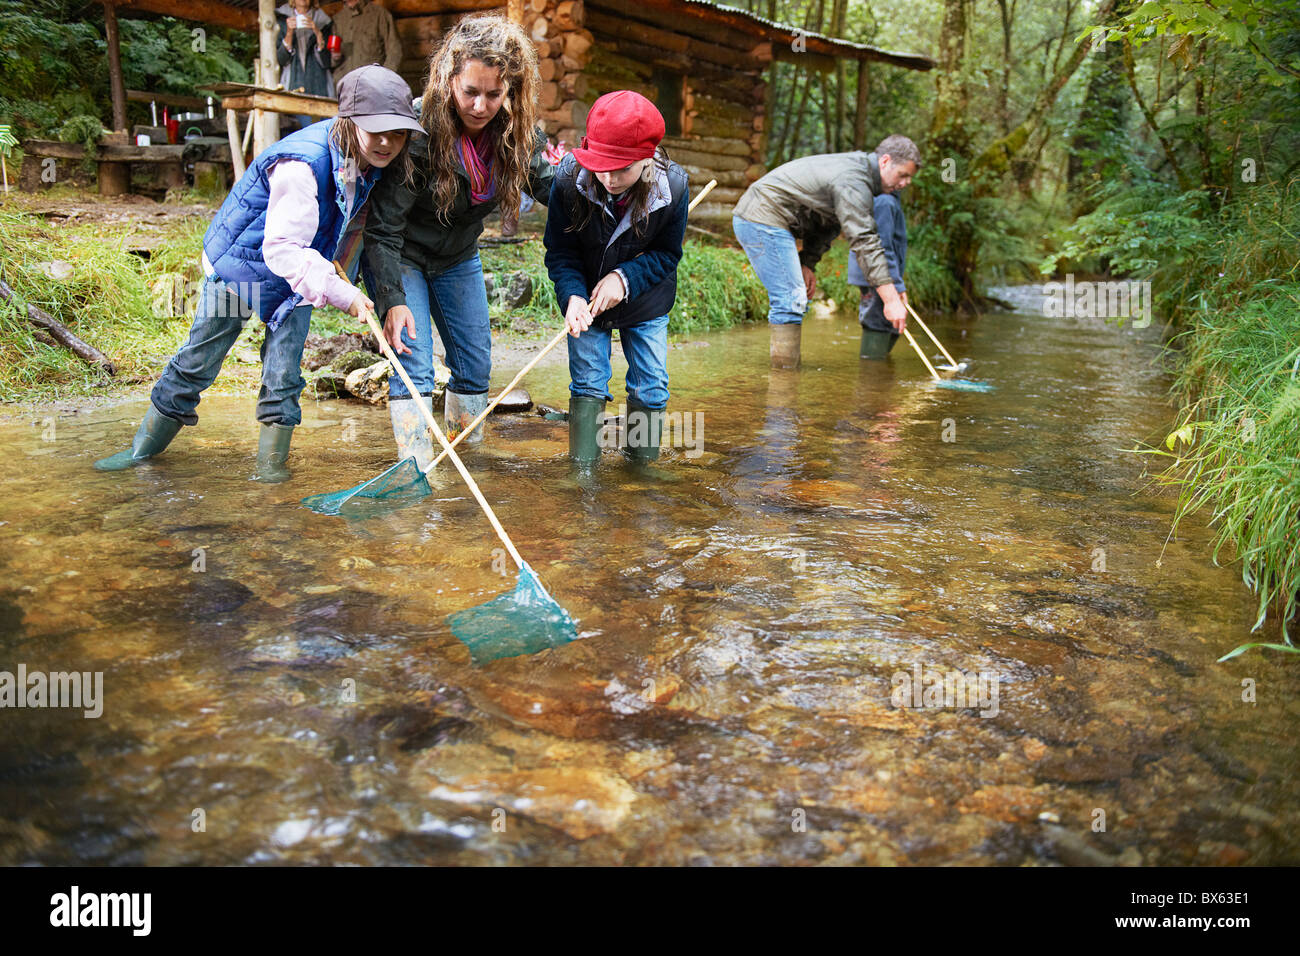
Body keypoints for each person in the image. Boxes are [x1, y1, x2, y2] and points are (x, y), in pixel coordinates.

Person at [94, 66, 422, 481]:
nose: (388, 142)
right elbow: (282, 249)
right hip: (243, 266)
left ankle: (270, 473)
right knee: (199, 361)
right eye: (377, 130)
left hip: (304, 272)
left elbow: (356, 231)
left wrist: (371, 291)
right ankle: (142, 452)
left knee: (284, 374)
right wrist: (342, 293)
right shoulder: (302, 164)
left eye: (397, 132)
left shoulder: (374, 163)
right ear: (349, 120)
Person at [363, 15, 554, 466]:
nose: (480, 105)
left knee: (474, 366)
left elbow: (552, 188)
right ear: (449, 80)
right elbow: (384, 228)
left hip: (457, 258)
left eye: (494, 94)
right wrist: (391, 299)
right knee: (415, 365)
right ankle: (414, 467)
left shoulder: (515, 134)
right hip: (402, 255)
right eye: (470, 91)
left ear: (511, 90)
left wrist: (606, 195)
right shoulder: (417, 133)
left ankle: (465, 464)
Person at [544, 91, 688, 470]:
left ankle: (638, 474)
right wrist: (573, 297)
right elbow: (561, 253)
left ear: (647, 158)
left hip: (645, 297)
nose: (608, 177)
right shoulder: (569, 177)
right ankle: (583, 471)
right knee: (589, 381)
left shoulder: (672, 188)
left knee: (651, 385)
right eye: (600, 165)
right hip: (586, 296)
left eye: (622, 168)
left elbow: (667, 256)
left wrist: (624, 279)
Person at [732, 134, 921, 369]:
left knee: (794, 297)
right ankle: (784, 383)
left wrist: (808, 262)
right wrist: (890, 299)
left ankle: (786, 376)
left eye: (909, 178)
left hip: (770, 217)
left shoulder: (861, 177)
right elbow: (863, 241)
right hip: (761, 216)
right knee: (791, 299)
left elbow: (827, 222)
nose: (905, 183)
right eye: (903, 175)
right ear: (885, 161)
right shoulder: (853, 178)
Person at [849, 190, 907, 359]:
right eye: (903, 175)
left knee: (893, 322)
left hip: (885, 274)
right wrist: (896, 284)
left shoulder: (890, 201)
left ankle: (880, 365)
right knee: (877, 320)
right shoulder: (884, 202)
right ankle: (872, 370)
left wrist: (898, 283)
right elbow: (882, 248)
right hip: (876, 275)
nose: (907, 182)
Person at [277, 1, 336, 130]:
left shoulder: (323, 21)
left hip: (320, 86)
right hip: (292, 85)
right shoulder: (281, 18)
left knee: (324, 125)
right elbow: (281, 59)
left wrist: (318, 33)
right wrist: (289, 32)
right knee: (299, 127)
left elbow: (327, 62)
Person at [330, 0, 403, 83]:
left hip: (373, 86)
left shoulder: (379, 14)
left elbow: (395, 52)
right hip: (345, 87)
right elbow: (331, 60)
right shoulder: (337, 19)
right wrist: (335, 58)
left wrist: (383, 81)